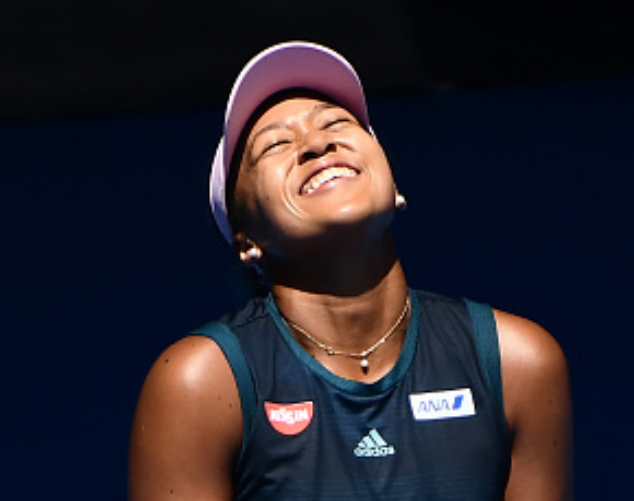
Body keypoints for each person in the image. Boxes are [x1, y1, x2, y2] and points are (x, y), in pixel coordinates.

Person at [128, 41, 573, 501]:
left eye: (338, 123)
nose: (318, 144)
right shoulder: (202, 382)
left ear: (395, 187)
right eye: (276, 145)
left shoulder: (516, 361)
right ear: (247, 241)